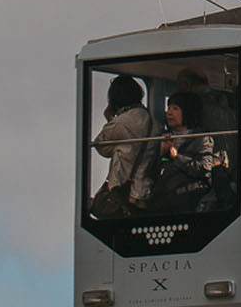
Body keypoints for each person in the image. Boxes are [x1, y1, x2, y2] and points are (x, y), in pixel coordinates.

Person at [89, 75, 153, 218]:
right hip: (146, 191)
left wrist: (110, 119)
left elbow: (101, 147)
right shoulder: (153, 121)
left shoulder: (121, 123)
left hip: (123, 190)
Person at [146, 96, 217, 214]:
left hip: (188, 197)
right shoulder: (163, 137)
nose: (169, 113)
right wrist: (161, 153)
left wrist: (176, 157)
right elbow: (150, 172)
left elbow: (204, 167)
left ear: (187, 112)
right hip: (163, 198)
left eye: (175, 109)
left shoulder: (201, 138)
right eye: (168, 108)